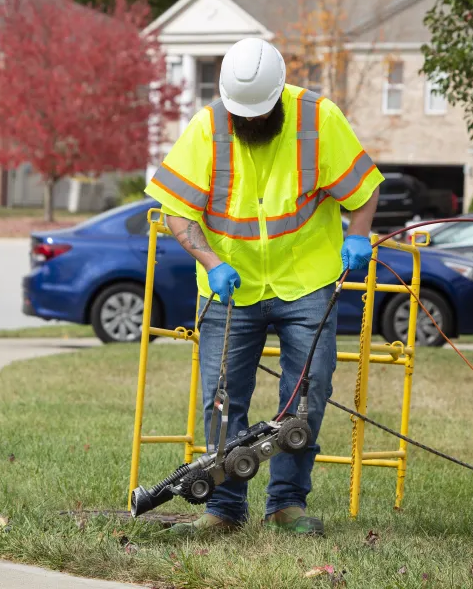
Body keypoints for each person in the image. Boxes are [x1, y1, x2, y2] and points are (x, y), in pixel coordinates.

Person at [143, 38, 383, 536]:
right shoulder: (208, 127)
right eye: (241, 113)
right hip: (230, 289)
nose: (249, 121)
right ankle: (224, 510)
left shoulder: (319, 118)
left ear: (279, 94)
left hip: (307, 284)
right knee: (221, 399)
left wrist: (358, 236)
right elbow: (177, 211)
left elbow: (364, 188)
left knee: (309, 392)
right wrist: (209, 261)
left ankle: (286, 505)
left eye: (259, 112)